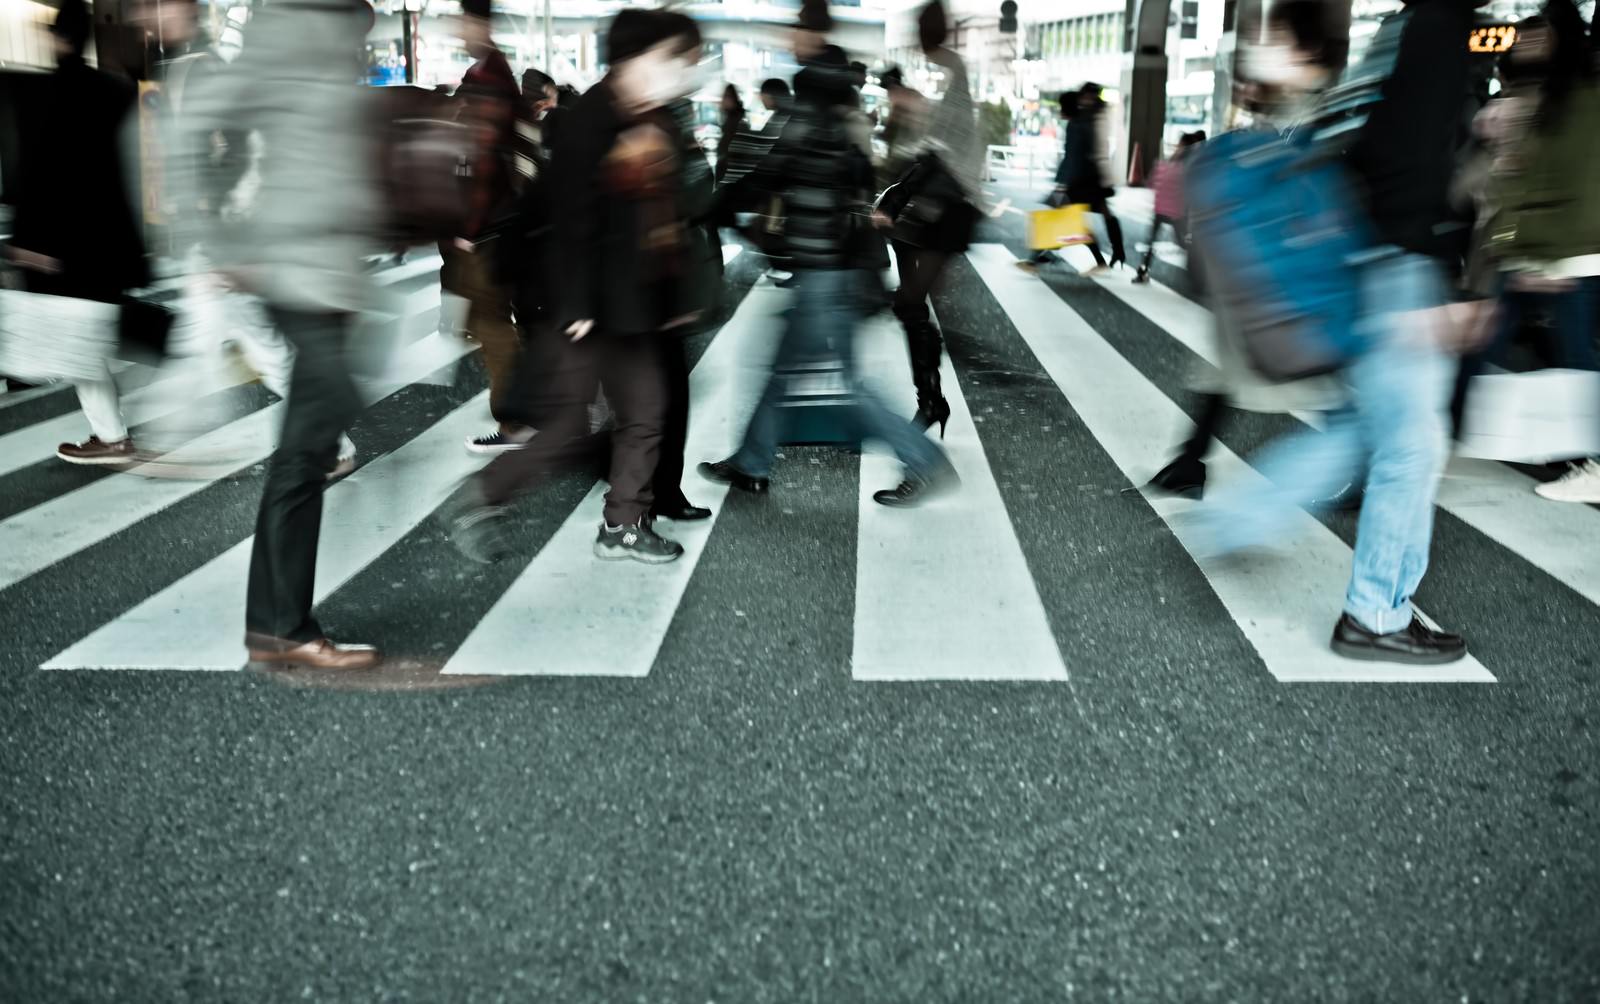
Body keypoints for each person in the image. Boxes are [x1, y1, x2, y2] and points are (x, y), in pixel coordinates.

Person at [1198, 0, 1480, 665]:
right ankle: (1375, 614)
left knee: (1369, 431)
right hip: (1401, 267)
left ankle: (1238, 518)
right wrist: (1424, 267)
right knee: (1410, 447)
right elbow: (1412, 152)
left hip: (1377, 260)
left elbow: (1376, 144)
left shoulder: (1406, 25)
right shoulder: (1440, 23)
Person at [448, 8, 714, 564]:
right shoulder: (588, 119)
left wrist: (675, 297)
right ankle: (486, 495)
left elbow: (666, 215)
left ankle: (622, 525)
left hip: (635, 303)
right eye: (673, 58)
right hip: (587, 306)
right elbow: (570, 221)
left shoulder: (654, 116)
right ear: (639, 57)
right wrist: (578, 303)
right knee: (573, 421)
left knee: (644, 413)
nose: (682, 70)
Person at [181, 0, 383, 669]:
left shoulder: (327, 41)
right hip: (298, 272)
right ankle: (284, 629)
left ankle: (276, 626)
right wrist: (223, 241)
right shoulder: (293, 35)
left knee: (306, 450)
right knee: (310, 445)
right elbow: (194, 137)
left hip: (325, 275)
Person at [699, 6, 958, 509]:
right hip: (835, 265)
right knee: (781, 371)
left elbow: (772, 171)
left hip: (827, 271)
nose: (786, 38)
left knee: (845, 388)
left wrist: (718, 205)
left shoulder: (812, 108)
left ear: (806, 36)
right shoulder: (843, 108)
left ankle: (925, 461)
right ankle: (752, 463)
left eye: (791, 30)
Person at [1463, 0, 1600, 503]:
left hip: (1567, 254)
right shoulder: (1552, 95)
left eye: (1541, 37)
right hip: (1538, 251)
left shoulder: (1583, 98)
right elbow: (1523, 175)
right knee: (1511, 340)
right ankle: (1488, 431)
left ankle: (1590, 461)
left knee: (1575, 356)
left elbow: (1585, 186)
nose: (1529, 45)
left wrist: (1546, 254)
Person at [5, 0, 149, 465]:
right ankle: (111, 433)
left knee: (80, 345)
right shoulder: (118, 90)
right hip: (110, 242)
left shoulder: (47, 93)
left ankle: (113, 437)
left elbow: (39, 175)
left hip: (67, 246)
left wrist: (29, 242)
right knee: (91, 342)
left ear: (54, 36)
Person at [874, 0, 983, 439]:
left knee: (911, 303)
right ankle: (932, 400)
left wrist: (894, 198)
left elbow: (933, 154)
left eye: (927, 25)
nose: (922, 33)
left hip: (942, 208)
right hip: (921, 207)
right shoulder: (938, 72)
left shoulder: (945, 73)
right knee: (912, 305)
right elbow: (916, 149)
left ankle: (933, 400)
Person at [448, 0, 529, 456]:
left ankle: (515, 423)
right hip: (496, 225)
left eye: (462, 22)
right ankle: (523, 413)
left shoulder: (490, 80)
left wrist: (467, 227)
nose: (458, 31)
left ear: (479, 23)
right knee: (496, 323)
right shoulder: (487, 75)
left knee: (493, 325)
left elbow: (480, 163)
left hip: (488, 229)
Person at [1056, 83, 1127, 273]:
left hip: (1085, 178)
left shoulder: (1083, 121)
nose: (1084, 100)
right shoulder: (1094, 115)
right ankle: (1116, 253)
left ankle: (1039, 256)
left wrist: (1062, 182)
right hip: (1092, 177)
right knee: (1096, 216)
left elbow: (1073, 155)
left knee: (1073, 220)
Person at [1132, 130, 1205, 284]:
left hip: (1160, 210)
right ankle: (1199, 272)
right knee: (1184, 242)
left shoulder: (1166, 163)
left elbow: (1151, 183)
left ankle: (1143, 271)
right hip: (1177, 213)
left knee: (1150, 242)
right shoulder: (1189, 168)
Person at [875, 65, 928, 192]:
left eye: (887, 90)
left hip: (903, 155)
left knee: (885, 184)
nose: (888, 94)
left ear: (892, 86)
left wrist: (878, 134)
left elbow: (890, 130)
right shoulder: (915, 96)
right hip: (919, 154)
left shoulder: (900, 99)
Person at [714, 83, 746, 183]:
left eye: (725, 97)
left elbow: (728, 147)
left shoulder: (735, 121)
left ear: (733, 99)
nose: (722, 101)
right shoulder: (732, 119)